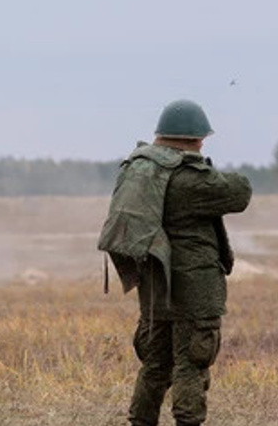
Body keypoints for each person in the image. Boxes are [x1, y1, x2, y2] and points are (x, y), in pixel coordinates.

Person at [98, 99, 252, 426]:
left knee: (154, 367)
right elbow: (240, 192)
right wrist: (200, 165)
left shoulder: (140, 171)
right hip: (194, 291)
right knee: (192, 364)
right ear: (196, 139)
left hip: (156, 286)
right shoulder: (189, 180)